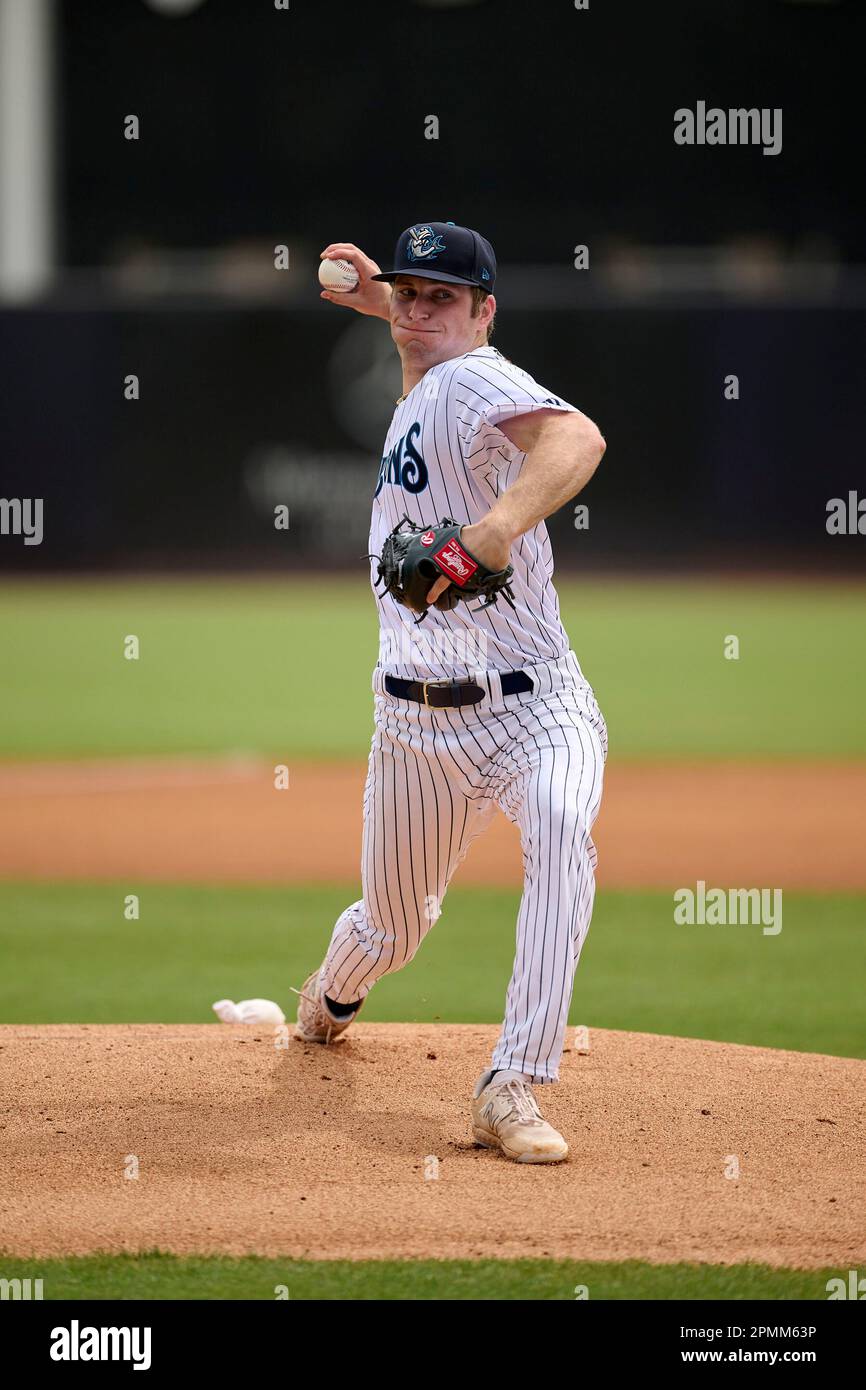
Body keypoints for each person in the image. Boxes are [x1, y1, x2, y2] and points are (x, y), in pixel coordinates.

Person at [294, 222, 607, 1163]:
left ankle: (514, 1084)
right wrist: (361, 287)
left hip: (534, 704)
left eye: (444, 297)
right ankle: (328, 998)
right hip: (413, 723)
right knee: (388, 929)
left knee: (560, 826)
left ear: (486, 313)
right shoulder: (427, 372)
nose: (420, 309)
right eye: (410, 293)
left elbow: (576, 435)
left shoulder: (472, 378)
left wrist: (495, 528)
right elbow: (407, 315)